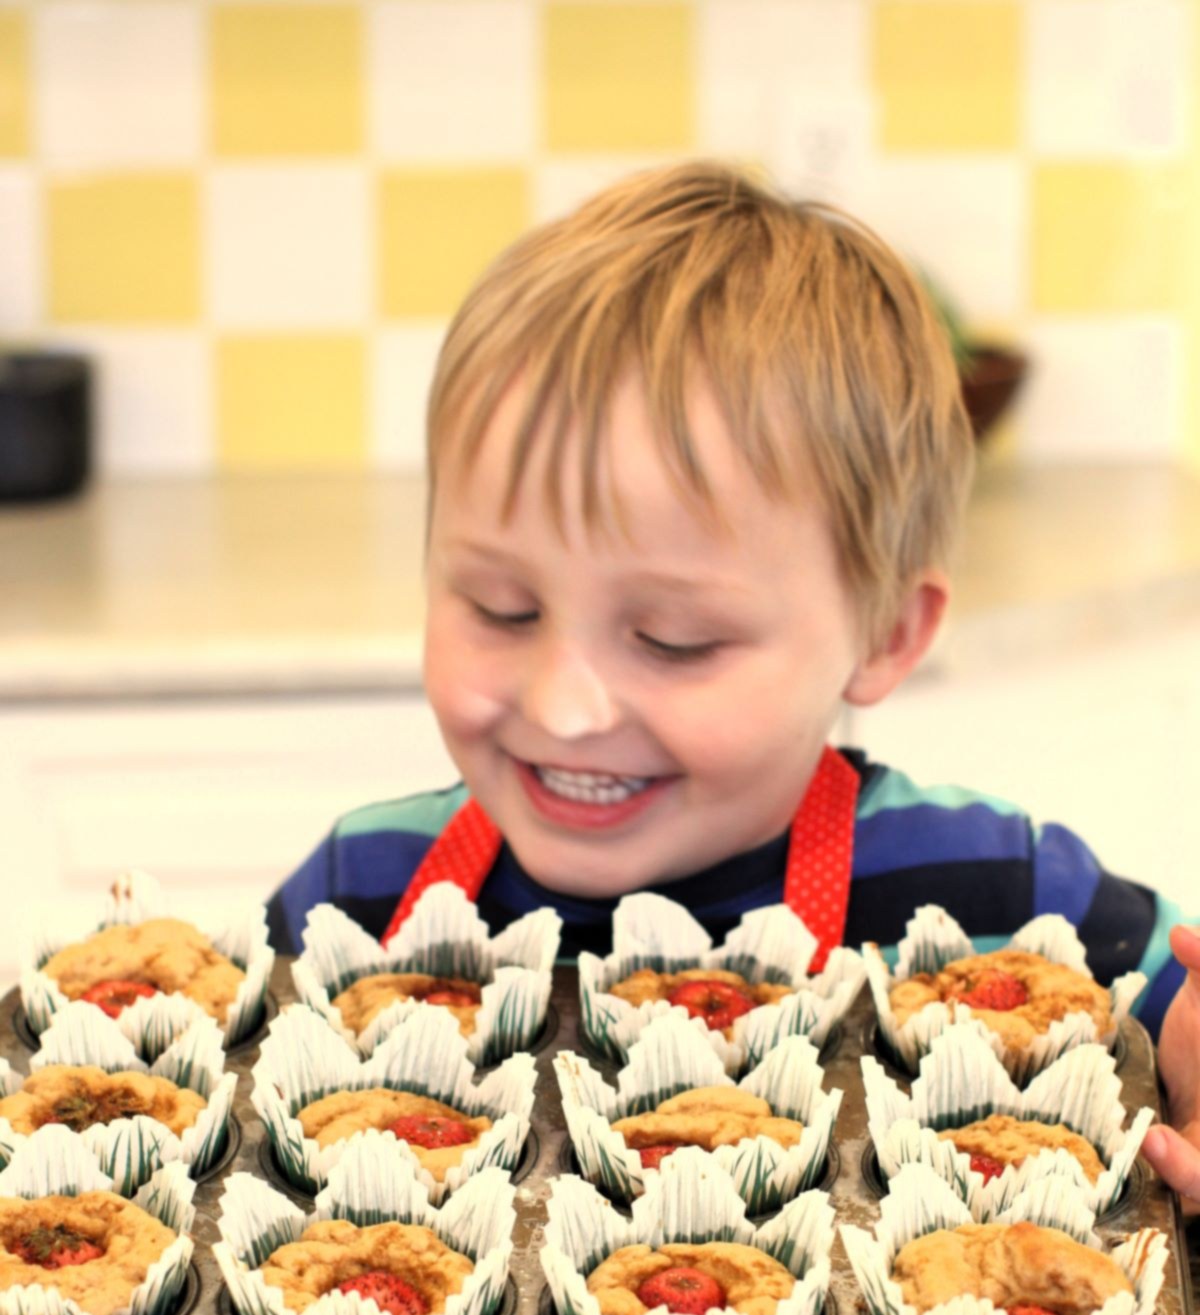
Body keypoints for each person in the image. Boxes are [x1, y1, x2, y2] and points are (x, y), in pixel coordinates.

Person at [266, 161, 1200, 1212]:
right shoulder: (358, 900)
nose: (566, 707)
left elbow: (1180, 1029)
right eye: (500, 608)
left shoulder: (1013, 902)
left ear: (884, 633)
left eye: (674, 638)